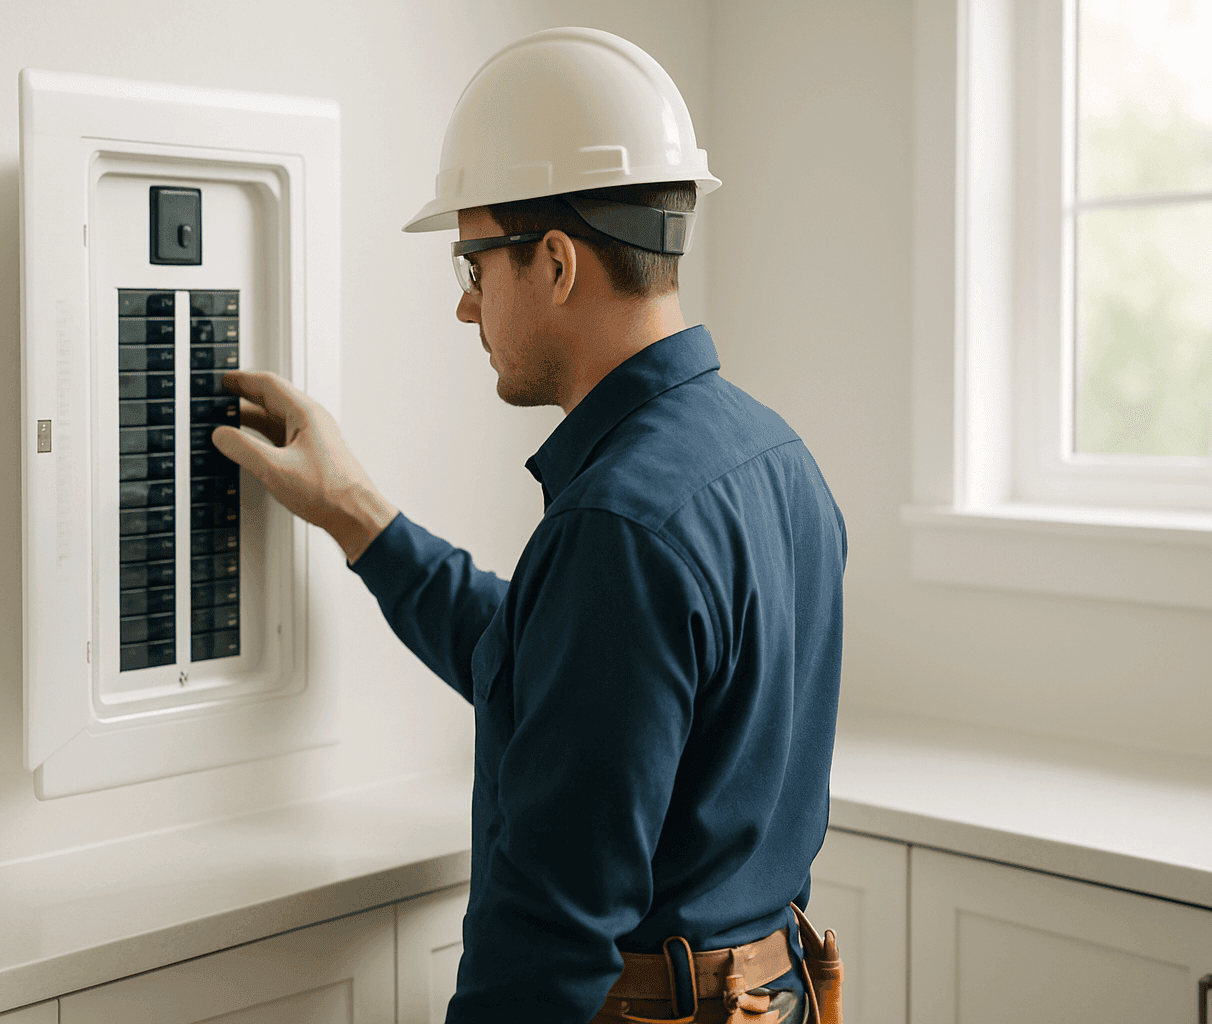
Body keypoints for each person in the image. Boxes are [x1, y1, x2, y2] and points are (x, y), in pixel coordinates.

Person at [211, 27, 845, 1024]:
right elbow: (551, 667)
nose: (467, 307)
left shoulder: (620, 527)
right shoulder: (775, 458)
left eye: (473, 262)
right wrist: (353, 511)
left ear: (554, 263)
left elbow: (549, 927)